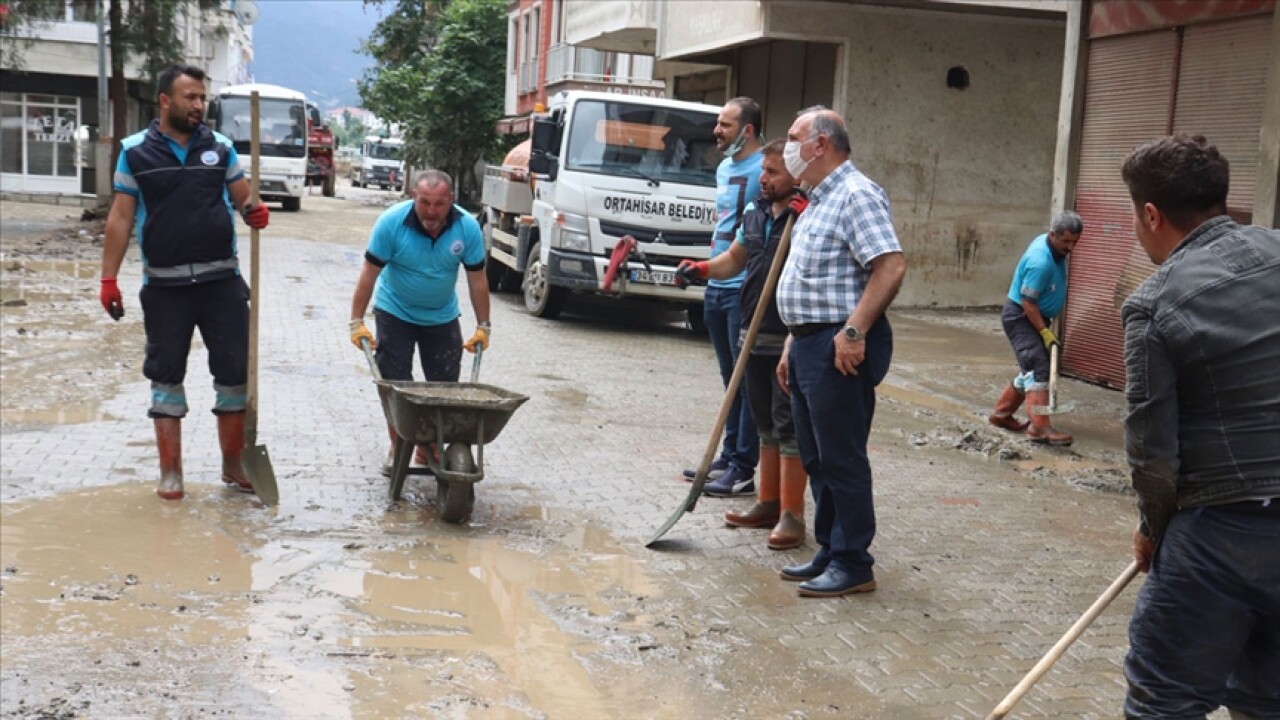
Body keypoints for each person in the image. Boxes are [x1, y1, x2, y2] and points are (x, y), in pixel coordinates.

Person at [1118, 134, 1280, 718]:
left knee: (1166, 701)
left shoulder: (1153, 303)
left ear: (1151, 215)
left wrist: (1151, 529)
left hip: (1219, 537)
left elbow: (1152, 452)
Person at [99, 64, 270, 501]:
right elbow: (120, 218)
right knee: (165, 374)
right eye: (190, 97)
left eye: (202, 97)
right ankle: (171, 471)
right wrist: (108, 278)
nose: (199, 105)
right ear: (165, 100)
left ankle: (233, 465)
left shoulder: (221, 148)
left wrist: (255, 210)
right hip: (165, 287)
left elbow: (244, 198)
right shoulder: (135, 152)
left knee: (234, 375)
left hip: (221, 282)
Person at [773, 107, 906, 598]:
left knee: (842, 457)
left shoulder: (855, 194)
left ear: (821, 144)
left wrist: (854, 331)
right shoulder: (816, 200)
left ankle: (854, 562)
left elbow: (889, 267)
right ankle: (831, 548)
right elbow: (813, 283)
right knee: (818, 457)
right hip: (810, 342)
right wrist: (792, 342)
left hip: (839, 346)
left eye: (793, 137)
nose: (787, 147)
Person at [675, 139, 809, 549]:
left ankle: (792, 516)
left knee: (789, 428)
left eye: (772, 173)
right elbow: (734, 259)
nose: (763, 180)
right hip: (752, 331)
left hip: (788, 335)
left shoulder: (805, 217)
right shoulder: (755, 213)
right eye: (763, 172)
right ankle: (767, 502)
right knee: (765, 422)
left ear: (796, 176)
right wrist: (701, 269)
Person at [348, 170, 490, 471]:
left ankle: (429, 449)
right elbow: (369, 274)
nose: (431, 211)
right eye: (425, 202)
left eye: (439, 204)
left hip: (441, 314)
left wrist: (483, 326)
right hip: (395, 310)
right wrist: (355, 321)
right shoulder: (391, 223)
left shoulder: (466, 228)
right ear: (414, 196)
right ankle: (400, 443)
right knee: (395, 381)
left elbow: (477, 280)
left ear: (451, 200)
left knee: (445, 387)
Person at [680, 96, 764, 496]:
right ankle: (728, 455)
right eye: (718, 123)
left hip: (746, 287)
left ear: (747, 130)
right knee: (729, 376)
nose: (717, 131)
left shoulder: (768, 167)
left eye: (725, 125)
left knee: (746, 381)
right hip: (718, 281)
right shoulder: (725, 167)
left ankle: (744, 467)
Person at [987, 211, 1083, 445]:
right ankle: (1040, 428)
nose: (1071, 247)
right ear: (1053, 235)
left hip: (1034, 316)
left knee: (1030, 368)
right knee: (1038, 367)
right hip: (1022, 317)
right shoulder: (1040, 260)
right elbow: (1028, 303)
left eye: (1075, 241)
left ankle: (1002, 414)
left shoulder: (1052, 247)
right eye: (1066, 242)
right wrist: (1044, 331)